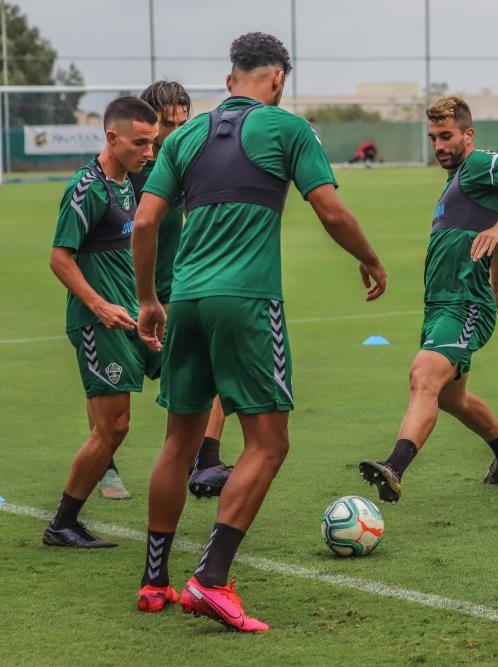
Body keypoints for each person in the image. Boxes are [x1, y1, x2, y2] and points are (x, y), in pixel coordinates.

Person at [131, 32, 386, 630]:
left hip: (186, 300)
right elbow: (330, 208)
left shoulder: (188, 134)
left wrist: (148, 299)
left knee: (178, 443)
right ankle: (211, 579)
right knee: (269, 443)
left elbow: (145, 220)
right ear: (277, 80)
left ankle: (153, 582)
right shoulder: (287, 128)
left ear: (229, 80)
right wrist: (370, 259)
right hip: (246, 302)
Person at [359, 97, 498, 503]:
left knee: (423, 376)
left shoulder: (481, 163)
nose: (439, 145)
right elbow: (494, 243)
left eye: (446, 136)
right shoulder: (458, 179)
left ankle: (394, 467)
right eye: (433, 139)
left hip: (464, 305)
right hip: (440, 306)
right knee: (451, 397)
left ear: (468, 134)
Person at [44, 96, 159, 547]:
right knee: (113, 427)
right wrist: (99, 305)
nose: (148, 152)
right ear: (111, 138)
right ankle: (62, 524)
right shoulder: (86, 188)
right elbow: (59, 258)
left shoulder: (129, 184)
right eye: (140, 143)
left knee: (189, 379)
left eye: (152, 143)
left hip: (133, 319)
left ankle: (201, 467)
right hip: (100, 325)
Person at [129, 80, 234, 501]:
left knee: (215, 369)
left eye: (181, 123)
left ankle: (205, 459)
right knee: (114, 403)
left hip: (175, 295)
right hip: (127, 296)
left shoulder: (187, 162)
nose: (175, 133)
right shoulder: (132, 172)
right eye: (166, 125)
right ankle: (105, 462)